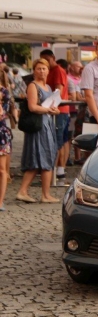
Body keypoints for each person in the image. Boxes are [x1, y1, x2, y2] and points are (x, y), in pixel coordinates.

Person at [16, 59, 60, 204]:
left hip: (47, 124)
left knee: (47, 156)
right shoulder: (33, 86)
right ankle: (38, 194)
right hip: (38, 126)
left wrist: (55, 110)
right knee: (39, 157)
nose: (42, 71)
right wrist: (48, 110)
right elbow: (32, 107)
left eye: (44, 68)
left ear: (48, 70)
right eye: (39, 68)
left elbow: (51, 105)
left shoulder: (48, 86)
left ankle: (39, 193)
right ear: (34, 70)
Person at [42, 51, 71, 186]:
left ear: (53, 58)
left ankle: (55, 172)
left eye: (47, 60)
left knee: (57, 141)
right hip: (59, 110)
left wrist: (50, 105)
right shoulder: (52, 70)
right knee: (62, 140)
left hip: (58, 110)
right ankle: (60, 171)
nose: (46, 62)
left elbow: (58, 91)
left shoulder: (58, 70)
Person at [0, 69, 14, 210]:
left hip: (1, 134)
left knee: (2, 169)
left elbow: (1, 114)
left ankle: (0, 201)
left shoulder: (4, 92)